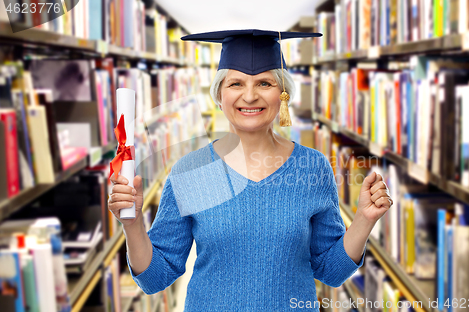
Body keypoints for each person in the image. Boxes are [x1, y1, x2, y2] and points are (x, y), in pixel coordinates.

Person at [108, 29, 393, 311]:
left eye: (265, 84)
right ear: (219, 95)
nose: (250, 96)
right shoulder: (190, 172)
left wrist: (364, 221)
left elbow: (331, 271)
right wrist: (132, 226)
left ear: (283, 94)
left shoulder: (312, 167)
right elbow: (155, 278)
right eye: (235, 84)